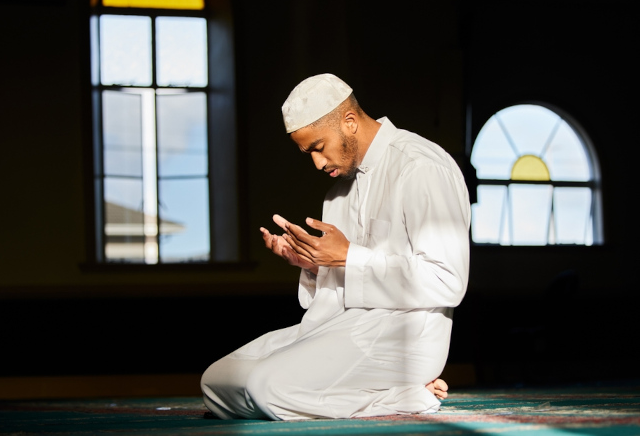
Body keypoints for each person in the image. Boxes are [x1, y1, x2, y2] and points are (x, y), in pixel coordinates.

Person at [200, 73, 471, 421]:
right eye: (307, 152)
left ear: (349, 121)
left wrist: (347, 256)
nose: (316, 163)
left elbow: (447, 280)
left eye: (317, 147)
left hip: (403, 336)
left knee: (264, 388)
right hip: (341, 328)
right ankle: (368, 391)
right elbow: (341, 290)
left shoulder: (422, 166)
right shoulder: (338, 191)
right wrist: (313, 264)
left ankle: (402, 396)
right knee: (217, 381)